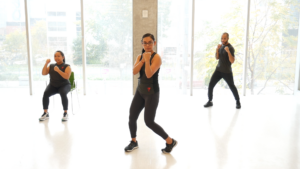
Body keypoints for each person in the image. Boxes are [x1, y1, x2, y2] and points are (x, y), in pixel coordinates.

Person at [125, 33, 177, 153]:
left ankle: (170, 141)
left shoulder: (157, 57)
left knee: (149, 122)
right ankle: (133, 141)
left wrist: (147, 60)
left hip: (151, 93)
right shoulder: (140, 57)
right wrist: (143, 60)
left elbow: (149, 74)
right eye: (145, 42)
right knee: (132, 117)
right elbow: (134, 71)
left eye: (150, 42)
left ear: (154, 43)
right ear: (142, 43)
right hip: (140, 91)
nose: (147, 45)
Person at [204, 32, 241, 109]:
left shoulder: (230, 48)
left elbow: (232, 61)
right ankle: (210, 101)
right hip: (218, 70)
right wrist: (217, 49)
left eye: (224, 38)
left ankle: (238, 101)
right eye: (222, 38)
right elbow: (217, 58)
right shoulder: (221, 46)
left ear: (228, 38)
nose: (223, 40)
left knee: (232, 87)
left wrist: (228, 52)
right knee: (211, 85)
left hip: (227, 72)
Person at [39, 50, 72, 121]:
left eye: (58, 56)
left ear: (63, 57)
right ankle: (45, 113)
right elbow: (44, 73)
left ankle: (65, 113)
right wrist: (46, 63)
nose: (56, 57)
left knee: (63, 93)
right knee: (46, 93)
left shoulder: (67, 66)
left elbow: (67, 77)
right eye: (55, 56)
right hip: (53, 85)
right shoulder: (51, 66)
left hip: (64, 85)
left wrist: (58, 70)